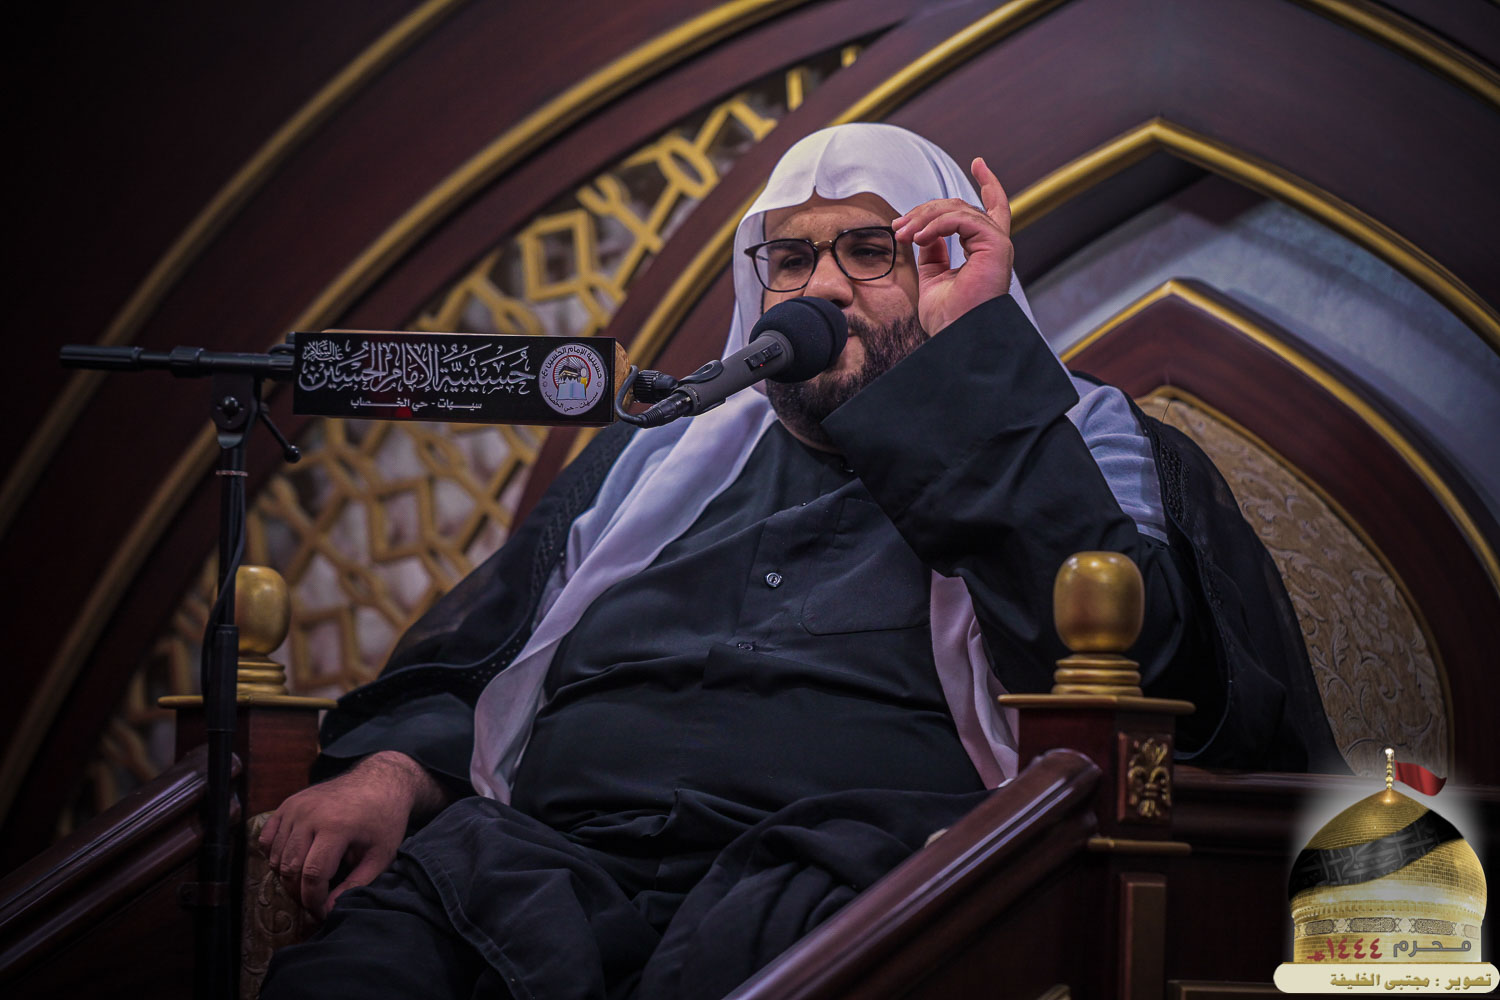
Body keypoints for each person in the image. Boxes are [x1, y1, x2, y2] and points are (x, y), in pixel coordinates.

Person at [261, 124, 1341, 999]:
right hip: (547, 874)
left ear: (944, 270)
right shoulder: (654, 460)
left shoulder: (1076, 443)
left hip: (844, 887)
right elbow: (487, 659)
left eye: (869, 251)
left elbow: (1159, 680)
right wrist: (392, 772)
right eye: (791, 258)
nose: (822, 286)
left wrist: (968, 374)